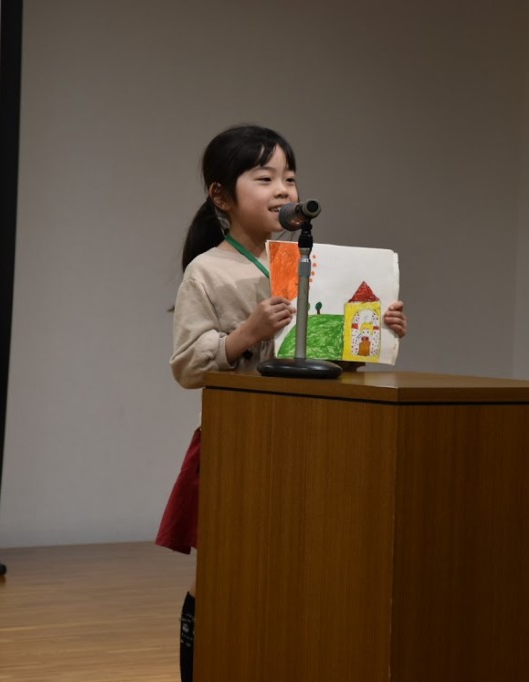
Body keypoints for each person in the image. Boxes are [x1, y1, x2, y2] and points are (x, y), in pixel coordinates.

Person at [155, 124, 407, 682]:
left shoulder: (309, 263)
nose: (283, 190)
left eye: (289, 179)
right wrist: (246, 334)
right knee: (219, 577)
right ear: (221, 196)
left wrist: (373, 328)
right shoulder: (207, 271)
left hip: (308, 443)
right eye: (264, 178)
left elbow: (331, 360)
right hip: (239, 446)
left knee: (292, 576)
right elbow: (188, 366)